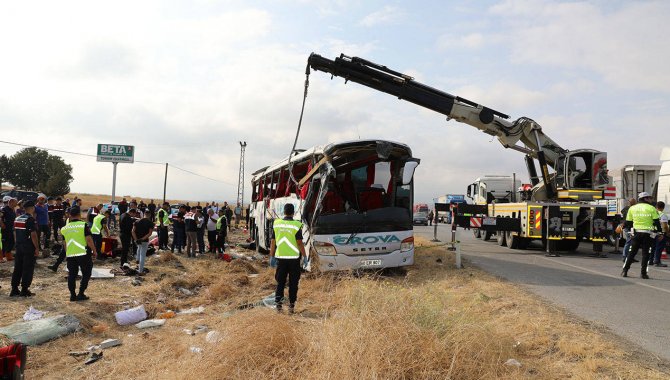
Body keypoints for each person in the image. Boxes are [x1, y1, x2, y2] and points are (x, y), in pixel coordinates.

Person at [270, 203, 306, 314]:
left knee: (280, 282)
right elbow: (299, 243)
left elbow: (273, 242)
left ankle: (278, 306)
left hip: (281, 258)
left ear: (284, 212)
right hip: (294, 259)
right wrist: (305, 256)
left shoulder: (277, 224)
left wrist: (271, 256)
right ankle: (291, 306)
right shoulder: (296, 225)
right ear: (293, 212)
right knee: (293, 283)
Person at [622, 192, 662, 279]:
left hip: (636, 234)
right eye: (649, 198)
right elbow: (656, 222)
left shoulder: (632, 208)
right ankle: (643, 273)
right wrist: (660, 233)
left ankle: (625, 270)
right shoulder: (652, 208)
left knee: (631, 253)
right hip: (648, 234)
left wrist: (624, 228)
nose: (651, 200)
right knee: (645, 254)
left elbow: (628, 222)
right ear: (645, 199)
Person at [61, 206, 97, 301]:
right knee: (86, 274)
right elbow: (89, 240)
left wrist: (67, 253)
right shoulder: (83, 225)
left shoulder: (64, 228)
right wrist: (94, 250)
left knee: (72, 275)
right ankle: (81, 293)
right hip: (83, 253)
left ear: (70, 215)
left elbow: (64, 243)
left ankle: (72, 295)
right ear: (79, 215)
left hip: (71, 254)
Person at [9, 201, 39, 297]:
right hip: (28, 247)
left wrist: (16, 244)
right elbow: (33, 235)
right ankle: (24, 289)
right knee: (27, 268)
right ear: (32, 208)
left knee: (18, 267)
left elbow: (14, 233)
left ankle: (14, 289)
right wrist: (37, 248)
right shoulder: (30, 219)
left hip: (19, 246)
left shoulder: (17, 218)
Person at [650, 201, 668, 267]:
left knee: (653, 246)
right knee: (659, 247)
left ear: (656, 207)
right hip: (660, 233)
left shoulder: (652, 214)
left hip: (652, 232)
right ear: (663, 207)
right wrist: (667, 232)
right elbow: (664, 226)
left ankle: (650, 260)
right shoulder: (663, 215)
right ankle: (657, 261)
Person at [1, 196, 17, 262]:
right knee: (3, 243)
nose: (16, 204)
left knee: (11, 242)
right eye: (15, 203)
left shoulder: (12, 210)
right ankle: (1, 257)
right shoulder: (4, 209)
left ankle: (8, 255)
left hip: (10, 229)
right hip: (4, 229)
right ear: (10, 202)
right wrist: (2, 224)